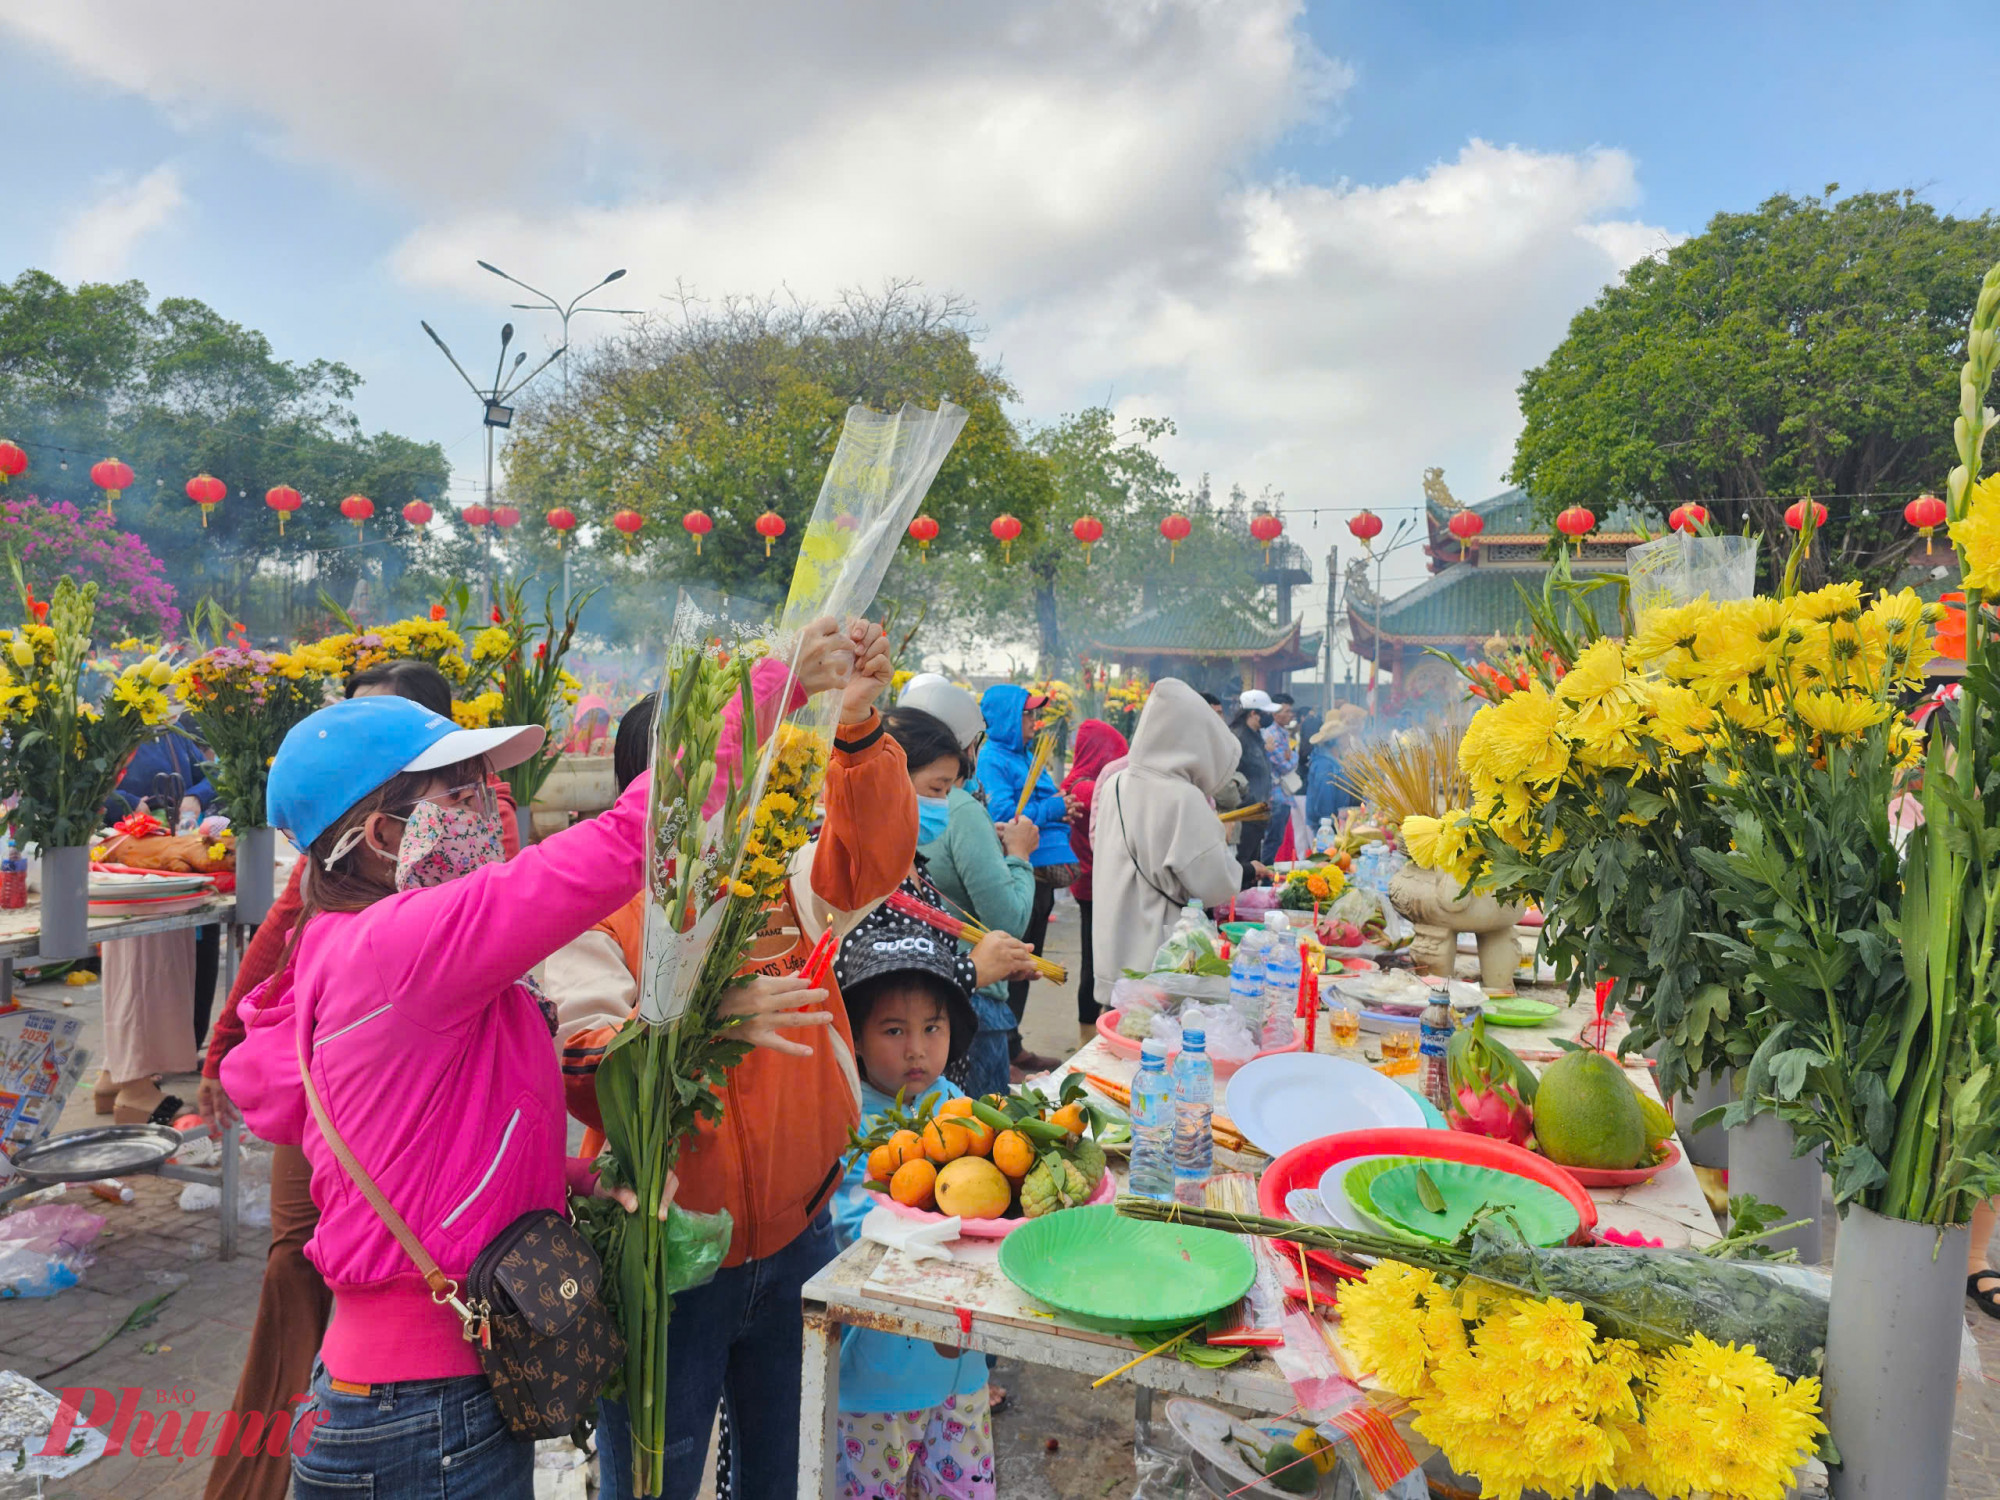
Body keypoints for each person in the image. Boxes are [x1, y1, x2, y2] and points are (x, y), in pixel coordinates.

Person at [219, 694, 696, 1498]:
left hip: (417, 1399)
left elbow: (426, 1148)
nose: (492, 813)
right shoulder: (399, 947)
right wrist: (761, 698)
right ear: (380, 837)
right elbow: (623, 843)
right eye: (463, 794)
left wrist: (576, 1182)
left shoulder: (361, 948)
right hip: (422, 1415)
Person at [547, 618, 922, 1500]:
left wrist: (858, 728)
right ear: (653, 794)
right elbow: (587, 1068)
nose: (742, 807)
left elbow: (869, 863)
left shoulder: (777, 883)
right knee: (655, 1482)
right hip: (670, 1262)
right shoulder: (594, 916)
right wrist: (701, 1025)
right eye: (728, 782)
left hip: (799, 1237)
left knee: (781, 1472)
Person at [195, 658, 513, 1500]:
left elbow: (516, 912)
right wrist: (227, 1038)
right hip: (330, 1066)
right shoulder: (341, 860)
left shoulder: (467, 820)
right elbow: (282, 930)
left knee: (365, 1272)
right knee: (295, 1269)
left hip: (413, 1061)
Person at [827, 907, 997, 1498]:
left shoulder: (960, 1108)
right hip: (878, 1379)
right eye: (894, 1030)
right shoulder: (850, 1125)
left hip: (962, 1369)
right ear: (854, 1036)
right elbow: (857, 1228)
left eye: (933, 1027)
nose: (917, 1049)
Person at [883, 701, 1038, 1099]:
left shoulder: (913, 863)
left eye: (949, 790)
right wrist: (974, 971)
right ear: (887, 779)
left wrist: (999, 964)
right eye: (936, 789)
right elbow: (884, 982)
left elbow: (929, 952)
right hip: (900, 1086)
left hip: (941, 1061)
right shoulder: (866, 874)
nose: (944, 804)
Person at [1091, 679, 1246, 1012]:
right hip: (1161, 962)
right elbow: (1217, 886)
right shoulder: (1183, 798)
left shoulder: (1115, 783)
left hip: (1113, 954)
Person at [94, 726, 218, 1123]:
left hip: (162, 858)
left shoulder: (174, 734)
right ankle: (136, 1090)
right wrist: (132, 806)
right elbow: (91, 783)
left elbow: (211, 774)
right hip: (127, 859)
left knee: (152, 963)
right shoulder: (113, 725)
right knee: (145, 966)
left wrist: (197, 797)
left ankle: (118, 1071)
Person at [974, 685, 1077, 1074]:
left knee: (1026, 963)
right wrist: (1053, 807)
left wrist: (1062, 807)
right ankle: (1005, 1049)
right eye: (1028, 714)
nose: (1035, 722)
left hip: (1042, 871)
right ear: (1007, 718)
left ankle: (1012, 1045)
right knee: (1014, 962)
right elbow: (1004, 814)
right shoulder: (993, 759)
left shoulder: (1026, 755)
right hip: (1023, 869)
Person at [1061, 719, 1128, 1038]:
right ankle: (1088, 1030)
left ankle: (1088, 1027)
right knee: (1097, 959)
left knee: (1093, 956)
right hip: (1094, 886)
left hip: (1088, 884)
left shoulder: (1076, 781)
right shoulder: (1088, 788)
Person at [1230, 692, 1277, 886]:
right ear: (1254, 713)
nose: (1270, 717)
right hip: (1244, 816)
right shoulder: (1238, 738)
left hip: (1257, 815)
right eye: (1266, 713)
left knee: (1253, 869)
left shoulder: (1256, 736)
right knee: (1243, 869)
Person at [1262, 692, 1301, 863]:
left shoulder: (1283, 733)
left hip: (1284, 794)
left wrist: (1291, 756)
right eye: (1286, 710)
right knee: (1272, 840)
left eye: (1290, 711)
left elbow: (1288, 759)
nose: (1290, 714)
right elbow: (1285, 765)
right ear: (1274, 712)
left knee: (1276, 840)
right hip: (1276, 794)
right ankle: (1262, 878)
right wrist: (1294, 757)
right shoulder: (1272, 734)